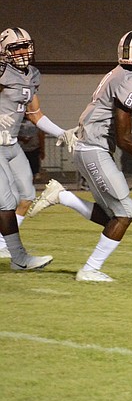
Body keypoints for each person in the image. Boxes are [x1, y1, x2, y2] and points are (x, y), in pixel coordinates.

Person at [27, 31, 132, 282]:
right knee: (125, 214)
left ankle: (62, 196)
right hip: (94, 150)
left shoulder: (118, 73)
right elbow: (124, 138)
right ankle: (90, 269)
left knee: (112, 216)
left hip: (88, 148)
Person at [0, 27, 72, 268]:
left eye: (25, 47)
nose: (23, 52)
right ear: (5, 51)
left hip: (12, 145)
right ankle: (18, 258)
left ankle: (2, 244)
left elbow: (35, 114)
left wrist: (61, 133)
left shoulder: (31, 75)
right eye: (16, 48)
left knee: (27, 196)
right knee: (6, 202)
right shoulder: (2, 71)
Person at [18, 115, 45, 182]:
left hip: (33, 148)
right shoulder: (19, 123)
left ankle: (33, 177)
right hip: (23, 149)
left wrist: (42, 149)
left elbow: (41, 136)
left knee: (33, 167)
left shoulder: (36, 124)